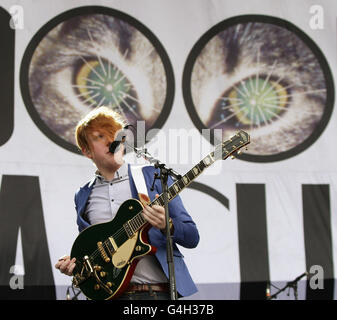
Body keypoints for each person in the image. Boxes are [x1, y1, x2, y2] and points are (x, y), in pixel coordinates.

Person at [55, 106, 200, 300]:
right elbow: (92, 253)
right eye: (99, 136)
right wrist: (74, 266)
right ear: (87, 151)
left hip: (155, 294)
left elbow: (192, 237)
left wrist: (168, 225)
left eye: (113, 135)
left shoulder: (152, 177)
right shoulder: (82, 195)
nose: (109, 141)